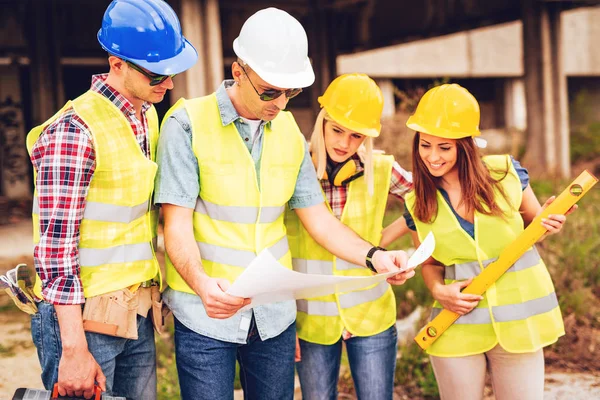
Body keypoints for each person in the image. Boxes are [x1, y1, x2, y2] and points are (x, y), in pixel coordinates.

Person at [154, 8, 415, 400]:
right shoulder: (187, 124)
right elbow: (175, 226)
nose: (279, 103)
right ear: (237, 71)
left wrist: (375, 256)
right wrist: (203, 285)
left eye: (290, 93)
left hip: (273, 317)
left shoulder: (288, 130)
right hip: (207, 314)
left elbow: (319, 221)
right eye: (269, 91)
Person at [25, 1, 197, 399]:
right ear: (116, 63)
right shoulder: (74, 132)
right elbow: (55, 250)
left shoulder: (146, 115)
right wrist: (73, 348)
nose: (168, 84)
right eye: (156, 73)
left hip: (132, 309)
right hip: (83, 320)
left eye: (172, 71)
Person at [403, 84, 576, 400]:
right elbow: (428, 262)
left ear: (465, 146)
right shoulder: (416, 201)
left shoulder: (506, 173)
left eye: (444, 147)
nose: (432, 156)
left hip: (517, 324)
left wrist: (552, 219)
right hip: (457, 321)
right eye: (425, 145)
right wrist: (439, 292)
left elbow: (537, 224)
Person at [288, 73, 413, 400]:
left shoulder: (383, 168)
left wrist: (390, 237)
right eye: (337, 131)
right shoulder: (291, 169)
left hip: (371, 316)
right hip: (311, 321)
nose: (344, 143)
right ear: (322, 123)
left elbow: (430, 202)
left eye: (356, 136)